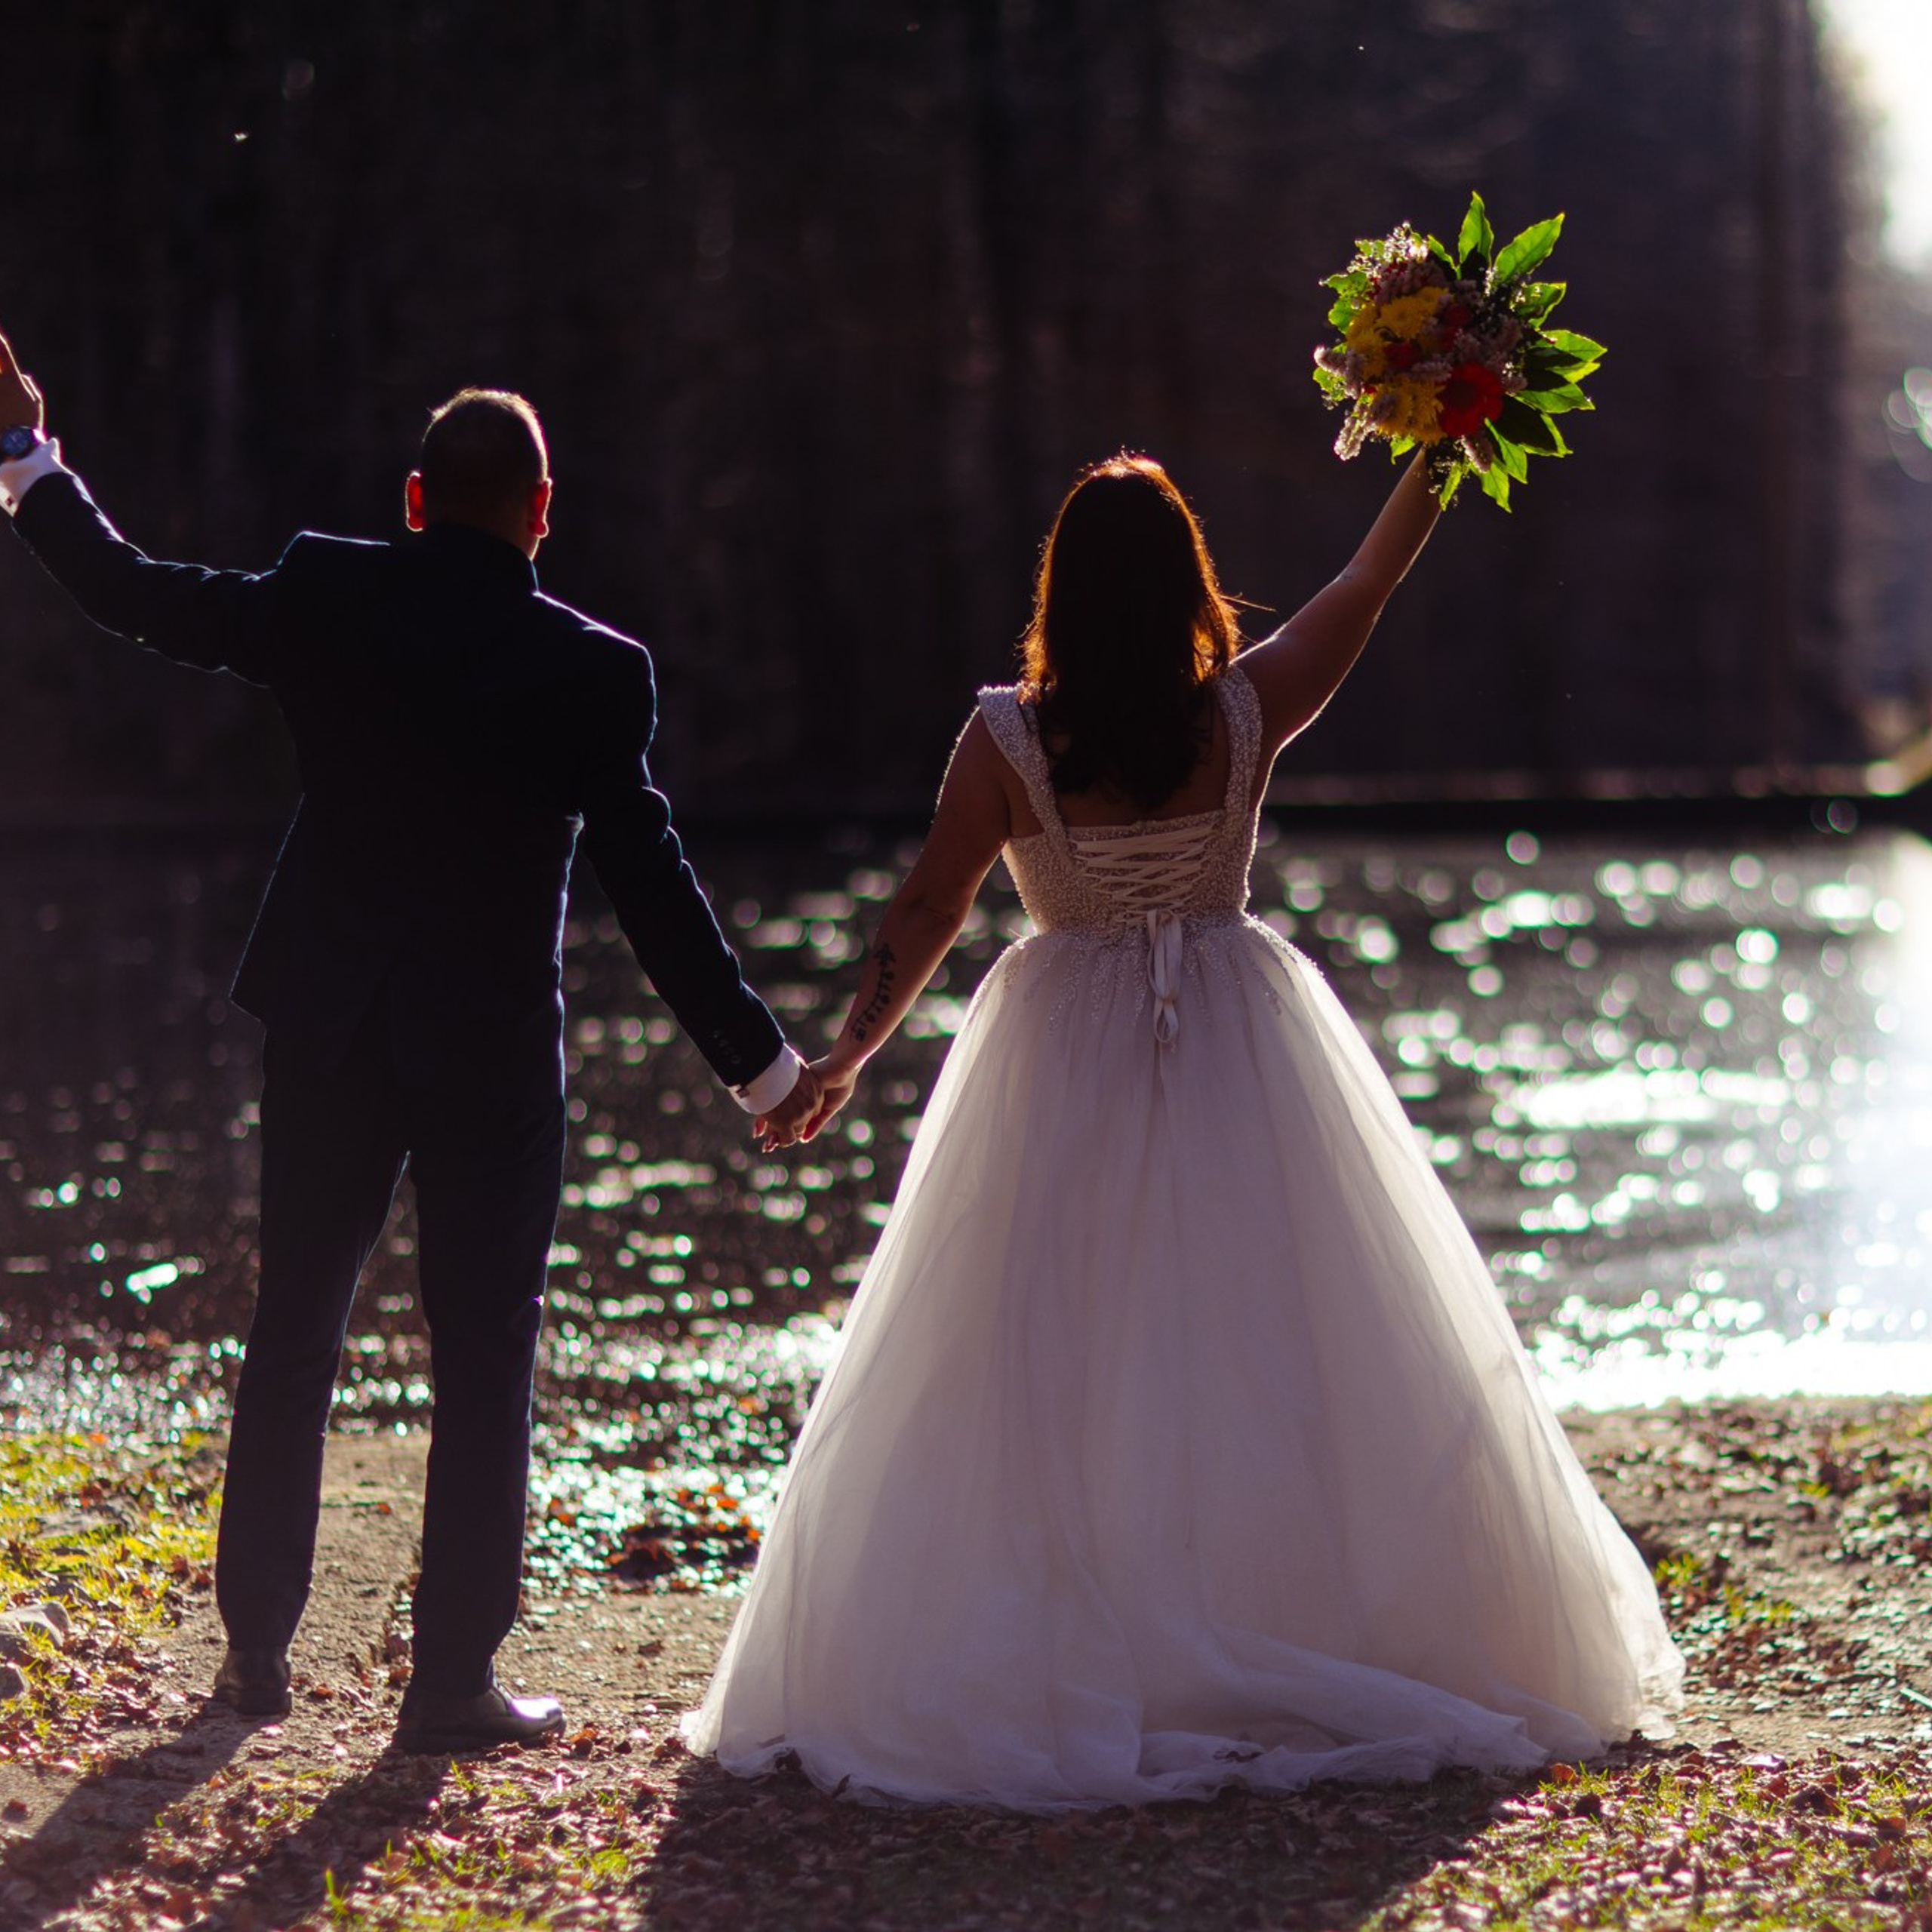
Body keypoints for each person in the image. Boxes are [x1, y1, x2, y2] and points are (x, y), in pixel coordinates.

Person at [686, 451, 1684, 1809]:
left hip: (1059, 1048)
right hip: (1240, 1033)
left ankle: (1097, 1618)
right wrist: (1446, 438)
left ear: (1060, 593)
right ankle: (1277, 1612)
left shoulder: (1007, 739)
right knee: (1265, 1339)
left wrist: (846, 1056)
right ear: (1187, 588)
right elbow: (1368, 577)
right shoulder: (1248, 708)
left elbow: (929, 905)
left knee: (1054, 1345)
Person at [0, 331, 820, 1753]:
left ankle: (254, 1655)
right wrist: (764, 1067)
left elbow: (137, 594)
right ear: (543, 511)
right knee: (485, 1354)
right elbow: (652, 887)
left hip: (332, 1014)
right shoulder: (592, 671)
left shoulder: (329, 592)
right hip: (490, 1049)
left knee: (295, 1328)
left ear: (417, 500)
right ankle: (449, 1687)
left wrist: (27, 458)